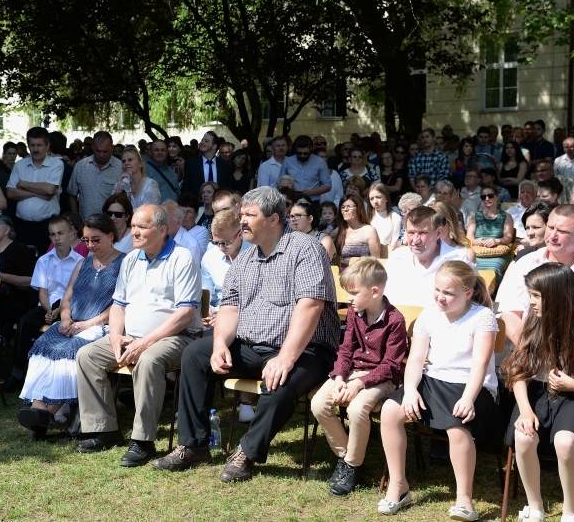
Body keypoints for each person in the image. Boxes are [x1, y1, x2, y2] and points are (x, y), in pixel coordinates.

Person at [151, 187, 341, 482]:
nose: (242, 221)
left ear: (274, 218)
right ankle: (193, 445)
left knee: (281, 379)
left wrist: (286, 358)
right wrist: (218, 345)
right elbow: (229, 307)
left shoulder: (306, 249)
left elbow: (310, 306)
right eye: (243, 215)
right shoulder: (245, 259)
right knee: (195, 354)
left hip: (307, 350)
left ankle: (247, 453)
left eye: (250, 216)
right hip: (254, 346)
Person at [74, 205, 201, 467]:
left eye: (141, 227)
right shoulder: (132, 259)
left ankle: (143, 441)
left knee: (148, 360)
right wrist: (116, 337)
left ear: (162, 230)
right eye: (133, 226)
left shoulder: (182, 257)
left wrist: (145, 342)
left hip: (177, 337)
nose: (134, 232)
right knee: (87, 355)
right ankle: (104, 430)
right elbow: (119, 305)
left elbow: (186, 313)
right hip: (131, 335)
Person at [378, 261, 498, 516]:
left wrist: (468, 398)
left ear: (468, 293)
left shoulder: (483, 317)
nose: (440, 298)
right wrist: (409, 389)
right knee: (390, 410)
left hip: (471, 386)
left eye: (449, 293)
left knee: (457, 427)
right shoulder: (429, 314)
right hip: (433, 380)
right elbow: (416, 359)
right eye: (438, 290)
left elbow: (480, 363)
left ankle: (464, 499)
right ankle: (399, 486)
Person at [501, 263, 574, 522]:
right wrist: (524, 410)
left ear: (558, 295)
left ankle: (571, 511)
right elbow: (518, 372)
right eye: (530, 295)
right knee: (524, 437)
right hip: (535, 393)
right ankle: (534, 506)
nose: (531, 302)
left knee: (566, 442)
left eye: (536, 296)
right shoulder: (531, 322)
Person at [17, 214, 127, 439]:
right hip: (72, 322)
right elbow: (66, 298)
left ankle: (46, 415)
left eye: (96, 240)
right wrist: (65, 319)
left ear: (110, 236)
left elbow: (120, 305)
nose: (90, 245)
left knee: (69, 352)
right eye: (86, 240)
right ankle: (38, 411)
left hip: (100, 325)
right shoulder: (83, 262)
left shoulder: (124, 263)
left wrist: (87, 324)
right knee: (42, 345)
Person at [311, 258, 407, 496]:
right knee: (319, 403)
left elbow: (391, 365)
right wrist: (341, 377)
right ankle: (349, 457)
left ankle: (352, 466)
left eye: (353, 293)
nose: (349, 299)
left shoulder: (395, 320)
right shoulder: (355, 313)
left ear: (374, 291)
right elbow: (345, 349)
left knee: (357, 409)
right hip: (353, 373)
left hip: (382, 378)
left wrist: (359, 384)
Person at [0, 216, 84, 394]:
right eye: (52, 235)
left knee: (63, 322)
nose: (57, 238)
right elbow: (42, 292)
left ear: (71, 234)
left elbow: (73, 292)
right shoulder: (44, 260)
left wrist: (57, 311)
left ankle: (56, 376)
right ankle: (17, 372)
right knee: (24, 322)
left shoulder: (80, 261)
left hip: (69, 306)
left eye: (61, 233)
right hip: (47, 304)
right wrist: (48, 310)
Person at [497, 204, 574, 343]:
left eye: (562, 231)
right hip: (531, 349)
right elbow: (510, 312)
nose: (552, 236)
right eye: (550, 227)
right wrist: (530, 351)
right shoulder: (526, 263)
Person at [200, 209, 255, 422]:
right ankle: (201, 404)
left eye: (226, 243)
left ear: (239, 234)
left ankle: (246, 402)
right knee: (195, 346)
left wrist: (223, 315)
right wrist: (208, 314)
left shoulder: (256, 253)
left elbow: (255, 299)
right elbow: (206, 294)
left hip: (249, 315)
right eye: (216, 243)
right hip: (218, 314)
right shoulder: (210, 257)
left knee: (243, 338)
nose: (221, 248)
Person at [384, 206, 474, 307]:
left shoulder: (458, 259)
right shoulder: (397, 258)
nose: (415, 240)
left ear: (438, 232)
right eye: (411, 233)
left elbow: (473, 302)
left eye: (422, 233)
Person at [6, 127, 65, 251]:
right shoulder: (20, 165)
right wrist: (41, 194)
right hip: (22, 226)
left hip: (47, 226)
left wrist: (22, 183)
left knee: (47, 262)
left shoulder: (56, 164)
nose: (35, 149)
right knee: (24, 264)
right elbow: (10, 193)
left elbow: (49, 190)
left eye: (39, 145)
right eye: (32, 145)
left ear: (48, 146)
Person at [0, 215, 36, 345]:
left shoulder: (19, 249)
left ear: (6, 230)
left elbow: (32, 282)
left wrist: (0, 276)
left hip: (13, 301)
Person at [68, 131, 123, 219]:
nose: (101, 155)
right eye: (98, 151)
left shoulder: (121, 167)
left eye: (105, 151)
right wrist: (76, 217)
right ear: (92, 147)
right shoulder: (80, 166)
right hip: (85, 224)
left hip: (111, 224)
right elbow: (72, 193)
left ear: (112, 148)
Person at [466, 183, 514, 283]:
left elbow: (508, 238)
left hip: (499, 253)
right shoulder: (475, 216)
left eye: (490, 196)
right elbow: (468, 237)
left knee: (495, 267)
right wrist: (476, 241)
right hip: (477, 252)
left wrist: (497, 241)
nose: (487, 199)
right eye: (483, 197)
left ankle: (490, 292)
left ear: (497, 196)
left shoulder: (506, 216)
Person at [331, 194, 381, 270]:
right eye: (343, 207)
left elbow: (376, 259)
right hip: (342, 274)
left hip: (362, 273)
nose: (345, 209)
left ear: (358, 208)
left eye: (349, 206)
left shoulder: (369, 231)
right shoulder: (338, 231)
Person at [112, 145, 160, 210]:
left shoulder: (151, 184)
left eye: (130, 160)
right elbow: (113, 209)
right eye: (124, 161)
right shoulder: (119, 184)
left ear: (140, 163)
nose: (126, 163)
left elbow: (150, 212)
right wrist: (119, 189)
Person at [145, 139, 180, 204]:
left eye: (163, 150)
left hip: (174, 211)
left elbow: (177, 192)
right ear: (150, 152)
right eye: (156, 150)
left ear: (167, 153)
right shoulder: (144, 170)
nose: (160, 153)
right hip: (156, 212)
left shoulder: (170, 170)